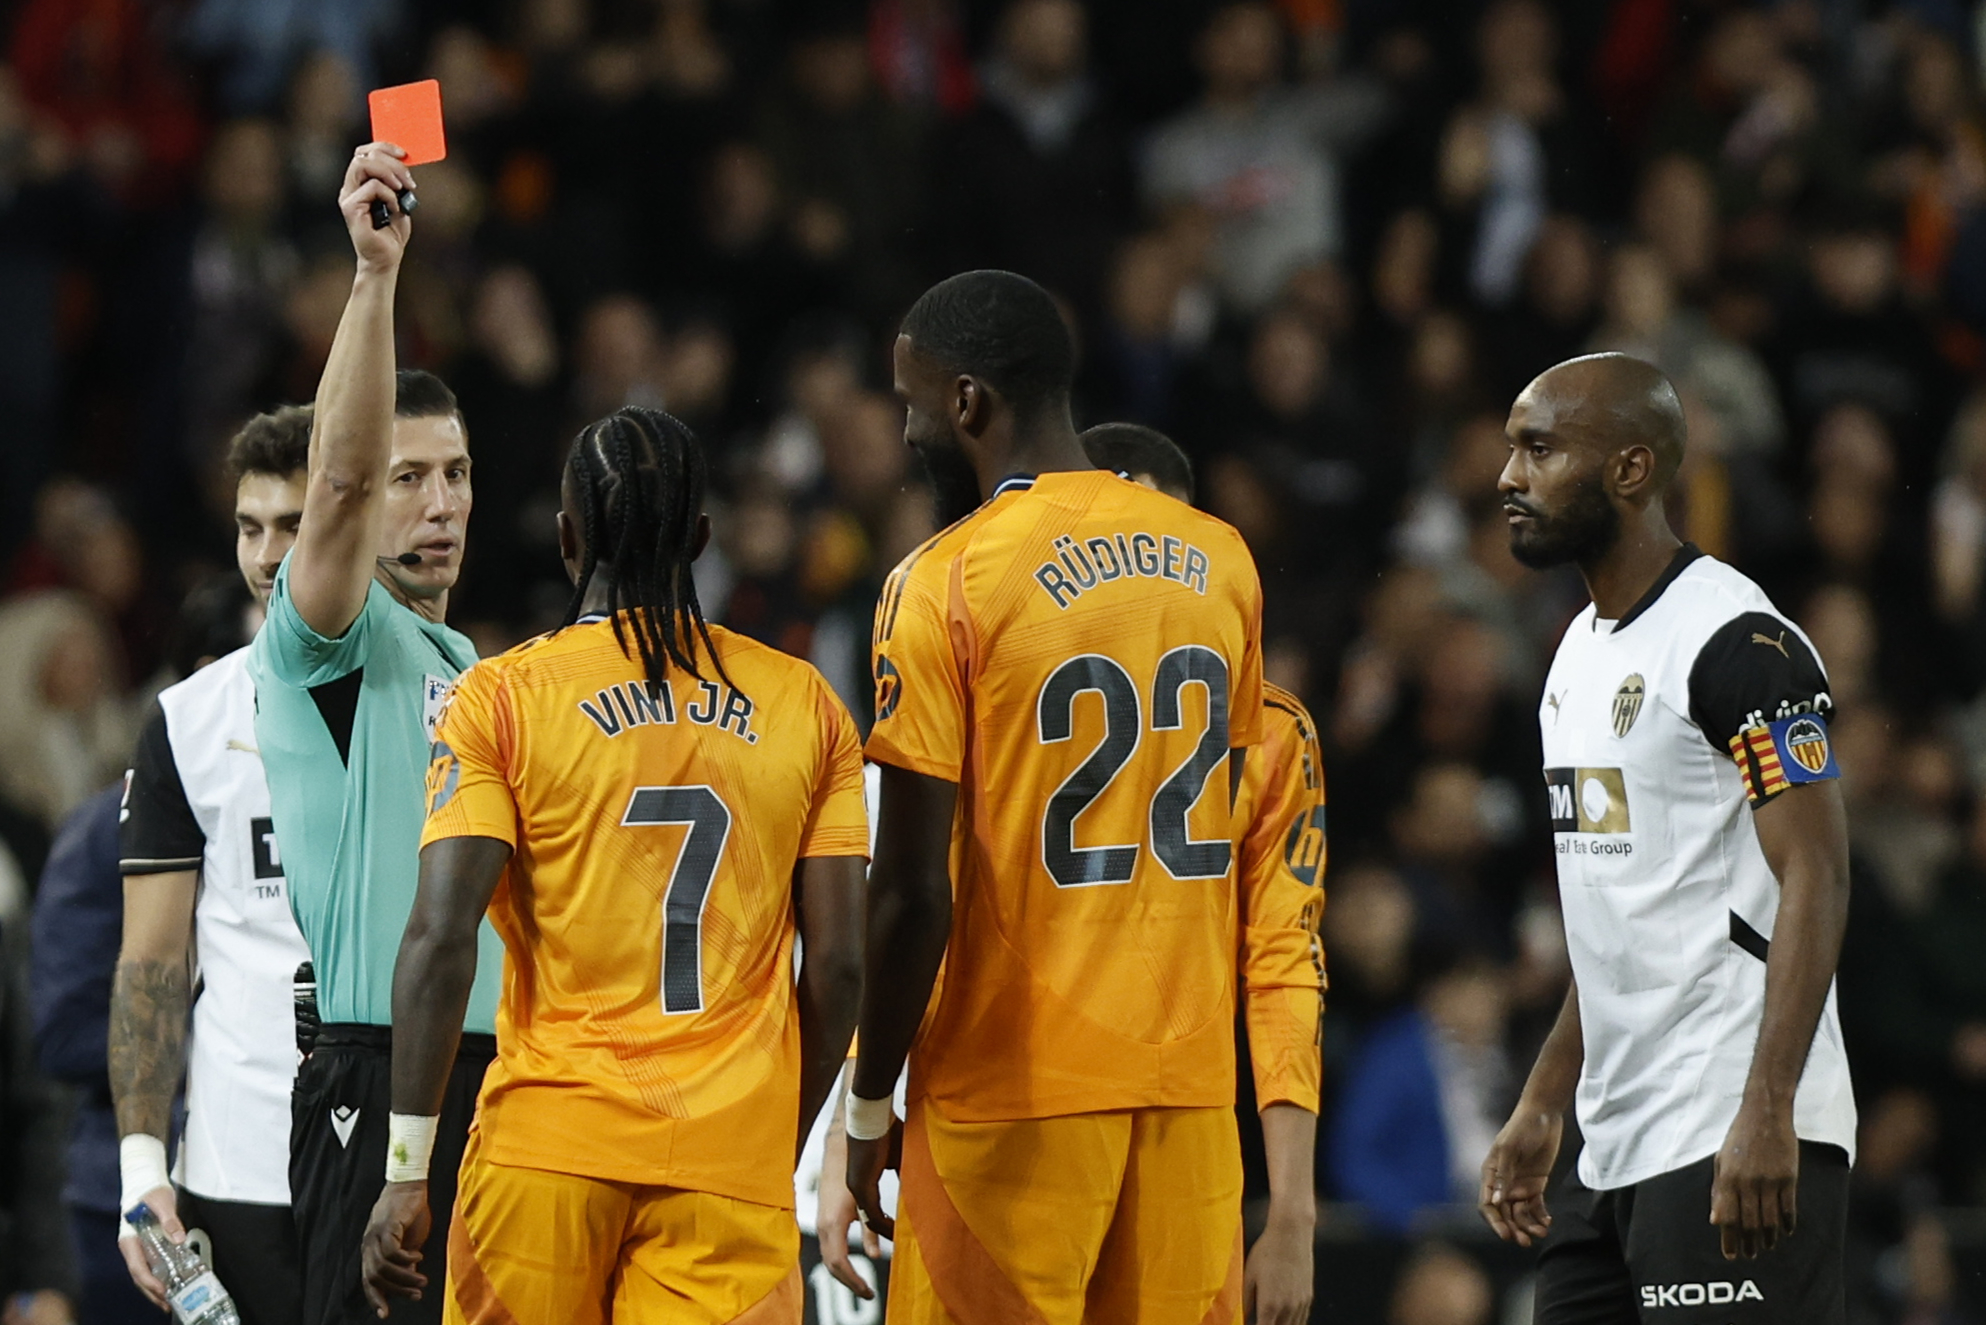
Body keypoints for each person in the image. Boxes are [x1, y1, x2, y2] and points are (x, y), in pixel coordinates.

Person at [843, 270, 1310, 1325]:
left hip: (1012, 1087)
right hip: (1187, 1090)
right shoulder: (1222, 560)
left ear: (967, 404)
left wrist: (871, 1097)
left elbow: (912, 891)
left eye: (914, 402)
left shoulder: (943, 577)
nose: (910, 429)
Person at [357, 406, 868, 1322]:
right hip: (725, 1165)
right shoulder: (808, 704)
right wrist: (769, 1138)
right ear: (703, 538)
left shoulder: (500, 698)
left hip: (545, 1152)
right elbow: (838, 964)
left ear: (565, 538)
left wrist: (405, 1168)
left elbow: (439, 939)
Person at [1480, 353, 1856, 1322]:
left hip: (1735, 1123)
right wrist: (1544, 1096)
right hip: (1612, 1144)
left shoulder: (1740, 643)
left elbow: (1817, 870)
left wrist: (1768, 1103)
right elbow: (1621, 914)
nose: (1508, 477)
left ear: (1631, 470)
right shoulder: (1575, 651)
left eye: (1539, 448)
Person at [245, 144, 502, 1325]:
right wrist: (374, 274)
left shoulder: (477, 667)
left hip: (505, 1088)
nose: (438, 502)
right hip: (375, 1070)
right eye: (411, 477)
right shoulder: (331, 636)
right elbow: (336, 487)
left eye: (454, 474)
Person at [110, 408, 316, 1325]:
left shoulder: (449, 703)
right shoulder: (188, 720)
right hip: (238, 1167)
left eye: (295, 526)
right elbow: (152, 963)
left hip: (406, 1164)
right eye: (250, 527)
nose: (267, 556)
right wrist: (143, 1172)